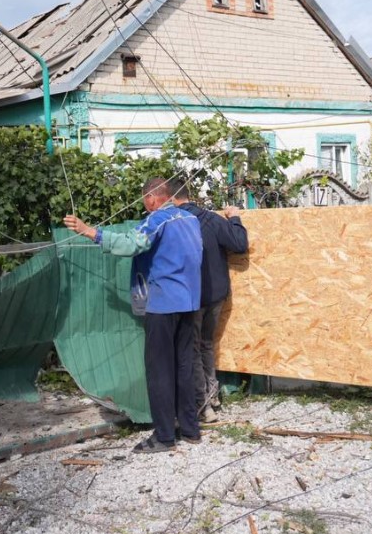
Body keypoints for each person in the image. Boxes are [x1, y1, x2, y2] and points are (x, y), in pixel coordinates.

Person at [63, 177, 203, 453]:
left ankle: (164, 436)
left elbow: (132, 244)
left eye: (144, 200)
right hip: (189, 303)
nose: (144, 205)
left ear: (153, 197)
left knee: (160, 370)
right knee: (184, 366)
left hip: (164, 304)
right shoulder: (190, 220)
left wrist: (91, 232)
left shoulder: (157, 220)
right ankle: (190, 429)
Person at [170, 178, 248, 423]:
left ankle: (203, 406)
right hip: (216, 295)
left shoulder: (174, 223)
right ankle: (212, 397)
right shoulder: (212, 219)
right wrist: (234, 218)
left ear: (172, 199)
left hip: (191, 298)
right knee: (206, 344)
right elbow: (239, 244)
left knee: (192, 349)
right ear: (190, 194)